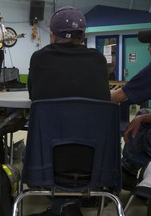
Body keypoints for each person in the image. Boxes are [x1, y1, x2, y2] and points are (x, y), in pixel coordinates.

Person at [27, 6, 110, 216]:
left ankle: (62, 205)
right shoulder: (99, 61)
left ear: (53, 36)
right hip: (96, 167)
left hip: (46, 167)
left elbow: (33, 95)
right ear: (83, 36)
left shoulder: (39, 59)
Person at [111, 27, 151, 191]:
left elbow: (119, 96)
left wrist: (86, 93)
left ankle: (127, 171)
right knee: (144, 114)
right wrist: (141, 118)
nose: (148, 48)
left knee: (142, 135)